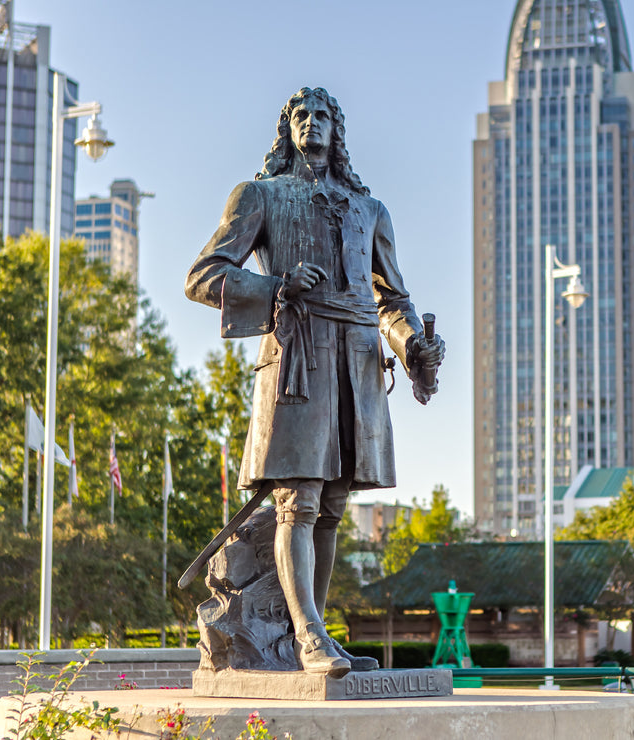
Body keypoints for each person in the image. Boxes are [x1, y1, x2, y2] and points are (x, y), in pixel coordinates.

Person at [185, 87, 444, 677]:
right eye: (299, 115)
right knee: (296, 502)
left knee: (331, 504)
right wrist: (276, 288)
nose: (311, 123)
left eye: (322, 115)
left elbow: (393, 300)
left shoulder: (370, 209)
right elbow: (203, 276)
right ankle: (305, 637)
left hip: (356, 361)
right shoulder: (260, 195)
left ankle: (317, 634)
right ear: (286, 130)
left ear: (338, 130)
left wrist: (413, 347)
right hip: (297, 356)